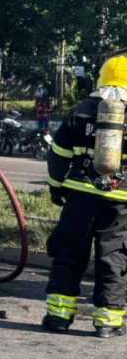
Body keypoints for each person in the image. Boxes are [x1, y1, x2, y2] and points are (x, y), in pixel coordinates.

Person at [43, 56, 127, 338]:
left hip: (79, 195)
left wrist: (56, 187)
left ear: (100, 80)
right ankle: (108, 321)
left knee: (69, 252)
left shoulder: (80, 112)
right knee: (113, 257)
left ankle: (57, 316)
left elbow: (58, 154)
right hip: (120, 200)